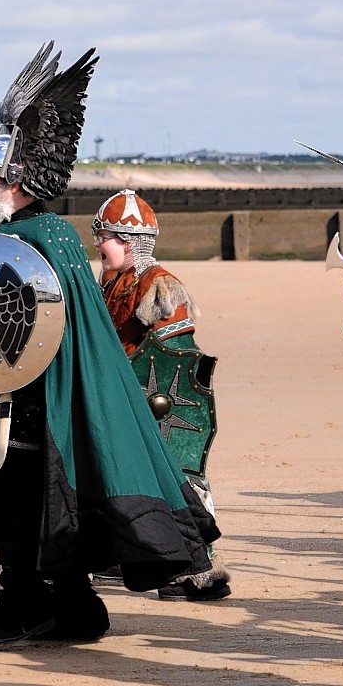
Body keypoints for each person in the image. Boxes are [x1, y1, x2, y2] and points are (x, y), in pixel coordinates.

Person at [0, 43, 218, 648]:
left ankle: (21, 605)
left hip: (35, 402)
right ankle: (75, 606)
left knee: (8, 502)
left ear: (15, 181)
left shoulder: (39, 238)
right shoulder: (40, 235)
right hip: (27, 396)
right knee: (30, 500)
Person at [91, 189, 231, 601]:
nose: (98, 244)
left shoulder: (159, 285)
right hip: (116, 399)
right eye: (98, 235)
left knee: (175, 482)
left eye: (107, 237)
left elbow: (176, 361)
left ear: (131, 243)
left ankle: (192, 568)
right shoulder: (109, 282)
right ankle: (119, 557)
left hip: (152, 406)